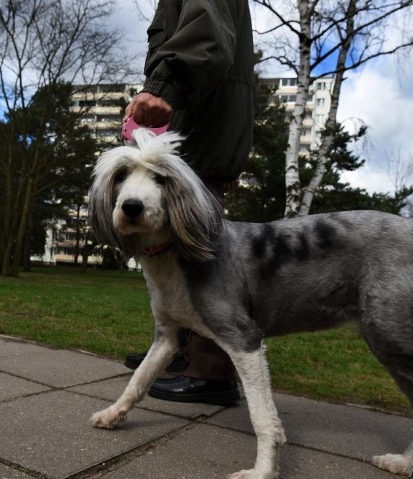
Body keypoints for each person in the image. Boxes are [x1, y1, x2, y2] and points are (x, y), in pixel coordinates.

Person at [123, 0, 255, 405]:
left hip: (200, 127)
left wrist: (165, 86)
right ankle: (177, 352)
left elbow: (206, 31)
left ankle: (209, 369)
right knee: (175, 255)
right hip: (197, 125)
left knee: (203, 256)